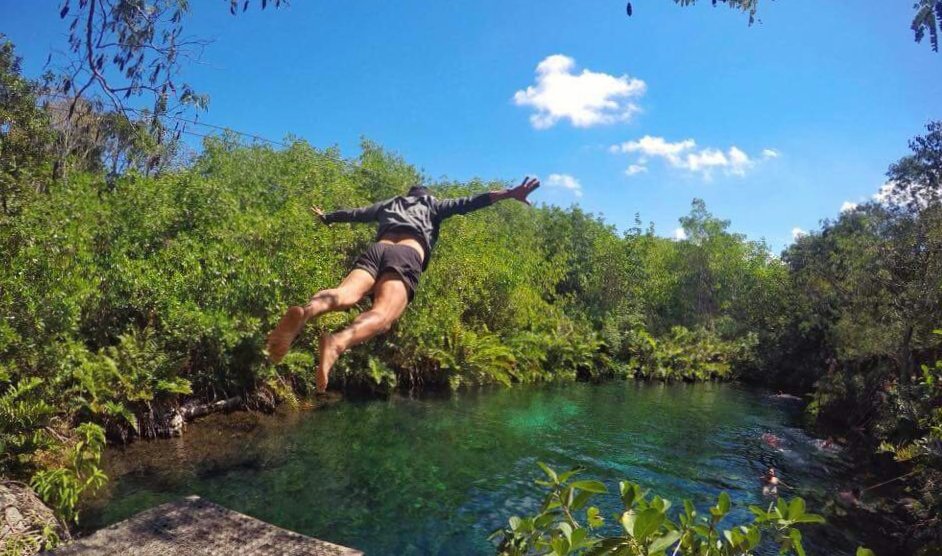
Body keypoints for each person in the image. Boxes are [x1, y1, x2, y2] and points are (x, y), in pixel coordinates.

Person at [265, 177, 541, 392]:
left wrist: (327, 217)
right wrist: (509, 194)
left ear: (408, 195)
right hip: (407, 255)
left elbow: (355, 213)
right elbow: (472, 201)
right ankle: (337, 343)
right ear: (428, 196)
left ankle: (307, 311)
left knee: (344, 293)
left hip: (378, 249)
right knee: (383, 315)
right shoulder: (434, 205)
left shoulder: (389, 204)